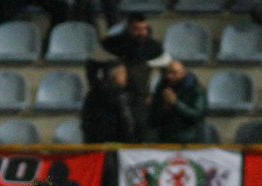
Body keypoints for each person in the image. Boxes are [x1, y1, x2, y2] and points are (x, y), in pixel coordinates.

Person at [101, 12, 168, 142]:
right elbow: (94, 66)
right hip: (113, 99)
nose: (142, 33)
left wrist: (155, 93)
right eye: (138, 29)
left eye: (144, 29)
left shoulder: (154, 47)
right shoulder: (112, 44)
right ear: (129, 28)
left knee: (140, 130)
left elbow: (165, 72)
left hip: (141, 98)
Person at [147, 59, 208, 144]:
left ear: (183, 73)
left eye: (174, 73)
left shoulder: (197, 90)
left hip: (189, 138)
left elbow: (196, 114)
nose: (169, 76)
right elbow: (154, 114)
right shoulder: (162, 87)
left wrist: (175, 103)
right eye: (167, 73)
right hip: (165, 137)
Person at [81, 60, 136, 143]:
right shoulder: (119, 95)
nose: (126, 77)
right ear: (115, 75)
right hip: (116, 143)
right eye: (123, 73)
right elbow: (126, 122)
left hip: (95, 143)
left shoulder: (93, 93)